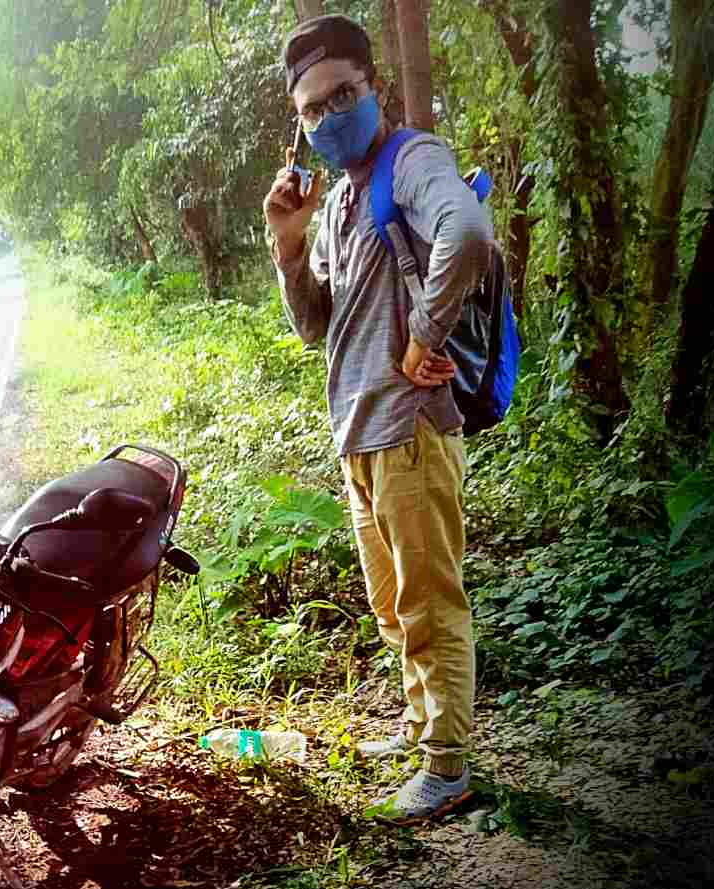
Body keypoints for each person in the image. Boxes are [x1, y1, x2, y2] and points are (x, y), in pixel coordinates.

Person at [263, 13, 495, 823]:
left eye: (343, 97)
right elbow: (315, 327)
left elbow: (467, 234)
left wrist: (425, 336)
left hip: (410, 430)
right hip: (358, 436)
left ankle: (447, 766)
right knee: (394, 607)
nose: (329, 118)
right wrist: (288, 247)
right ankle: (419, 725)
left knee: (431, 607)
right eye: (313, 111)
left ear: (375, 89)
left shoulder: (412, 159)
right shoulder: (339, 202)